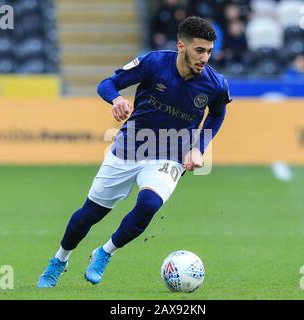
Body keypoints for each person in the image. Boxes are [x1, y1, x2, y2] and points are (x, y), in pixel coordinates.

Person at [36, 16, 232, 288]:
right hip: (130, 147)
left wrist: (199, 149)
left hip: (171, 153)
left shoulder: (216, 84)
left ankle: (105, 252)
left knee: (149, 205)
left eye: (209, 51)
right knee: (90, 214)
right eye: (200, 50)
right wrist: (116, 99)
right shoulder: (153, 63)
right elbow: (107, 84)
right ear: (181, 46)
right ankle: (60, 259)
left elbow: (217, 115)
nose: (205, 58)